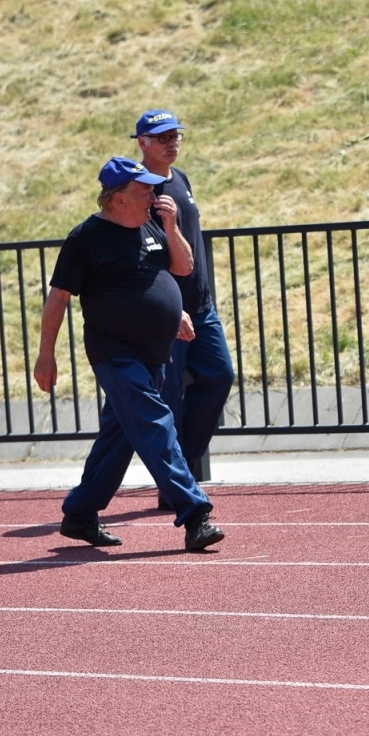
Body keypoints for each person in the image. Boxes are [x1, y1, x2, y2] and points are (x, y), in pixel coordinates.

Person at [34, 156, 223, 551]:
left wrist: (171, 232)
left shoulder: (151, 224)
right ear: (118, 199)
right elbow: (58, 298)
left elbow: (182, 269)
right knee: (157, 422)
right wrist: (45, 354)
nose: (154, 195)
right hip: (114, 352)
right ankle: (194, 513)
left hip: (155, 350)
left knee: (118, 437)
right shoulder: (85, 238)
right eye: (144, 189)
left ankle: (80, 513)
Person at [131, 111, 235, 503]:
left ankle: (181, 464)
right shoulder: (141, 189)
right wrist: (170, 308)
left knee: (220, 374)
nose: (172, 142)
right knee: (169, 398)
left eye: (176, 136)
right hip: (168, 314)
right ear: (142, 142)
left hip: (202, 307)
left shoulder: (182, 178)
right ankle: (173, 482)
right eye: (162, 138)